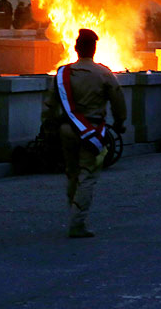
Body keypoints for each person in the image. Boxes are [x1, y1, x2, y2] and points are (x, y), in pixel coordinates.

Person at [42, 29, 127, 238]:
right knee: (87, 175)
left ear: (76, 48)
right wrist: (120, 122)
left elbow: (50, 105)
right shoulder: (104, 73)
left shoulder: (63, 73)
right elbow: (118, 101)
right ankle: (77, 222)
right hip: (92, 132)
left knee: (72, 173)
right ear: (94, 49)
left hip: (67, 130)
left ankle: (73, 212)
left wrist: (48, 127)